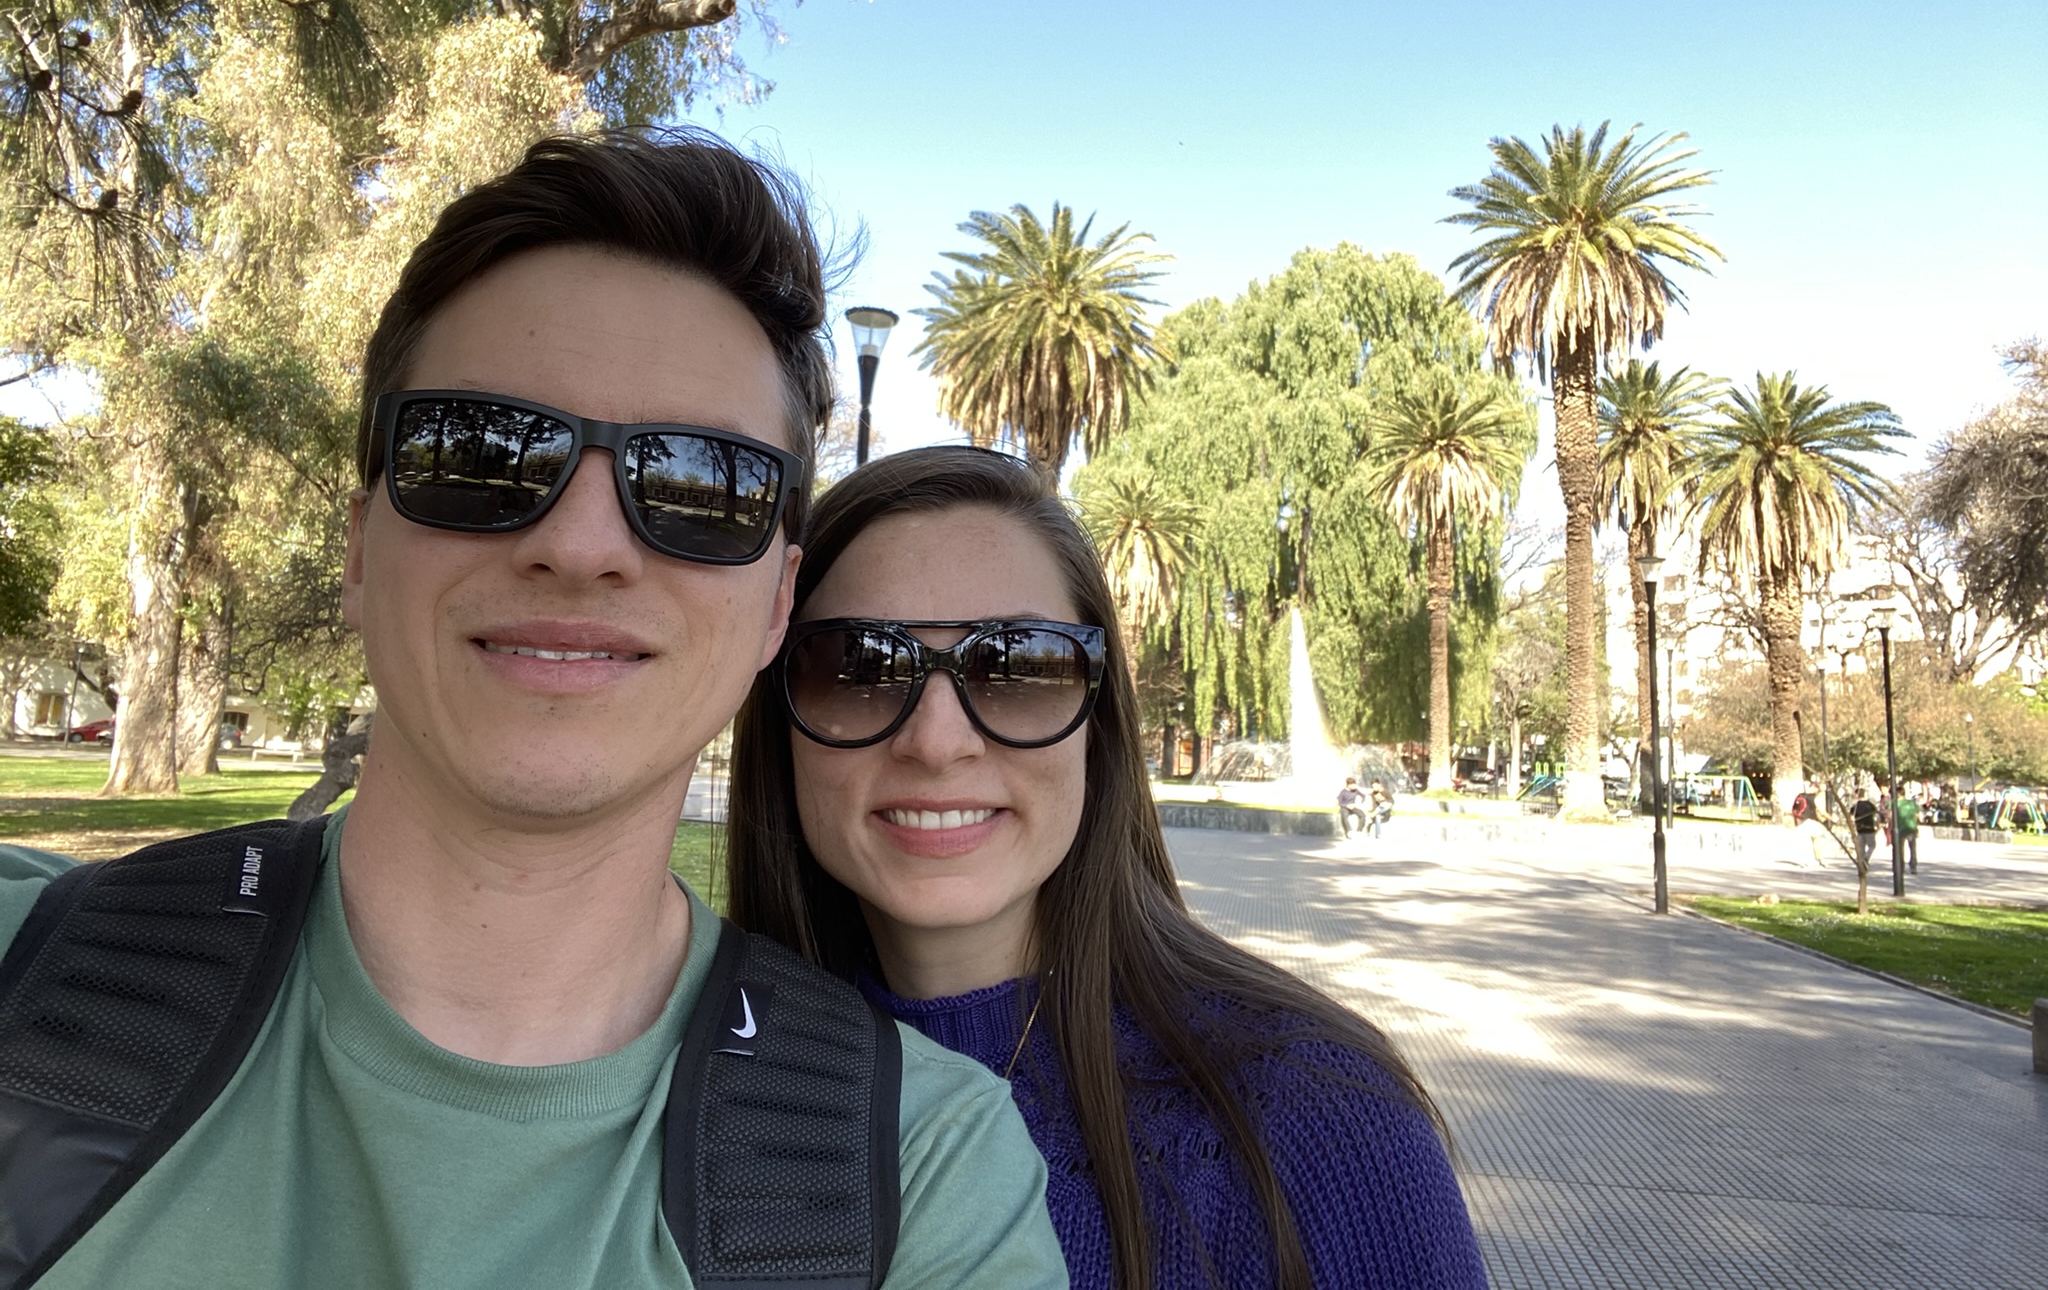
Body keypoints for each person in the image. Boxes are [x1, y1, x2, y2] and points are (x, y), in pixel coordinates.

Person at [0, 133, 1065, 1288]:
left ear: (776, 605)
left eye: (700, 485)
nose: (580, 543)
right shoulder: (26, 970)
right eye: (479, 455)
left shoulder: (920, 1175)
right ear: (359, 548)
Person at [728, 446, 1487, 1290]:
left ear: (1101, 725)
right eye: (858, 666)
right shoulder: (691, 1089)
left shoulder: (1319, 1118)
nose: (937, 743)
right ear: (778, 717)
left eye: (1019, 665)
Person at [1851, 781, 1882, 875]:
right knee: (1872, 845)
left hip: (1859, 829)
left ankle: (1863, 864)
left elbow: (1851, 818)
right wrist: (1877, 825)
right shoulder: (1870, 805)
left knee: (1861, 847)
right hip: (1869, 828)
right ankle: (1866, 859)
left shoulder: (1855, 807)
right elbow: (1876, 816)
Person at [1896, 787, 1921, 874]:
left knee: (1900, 849)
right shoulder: (1911, 803)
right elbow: (1917, 816)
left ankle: (1901, 867)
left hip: (1900, 828)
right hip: (1911, 828)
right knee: (1912, 848)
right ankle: (1913, 867)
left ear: (1897, 794)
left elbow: (1890, 816)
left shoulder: (1895, 803)